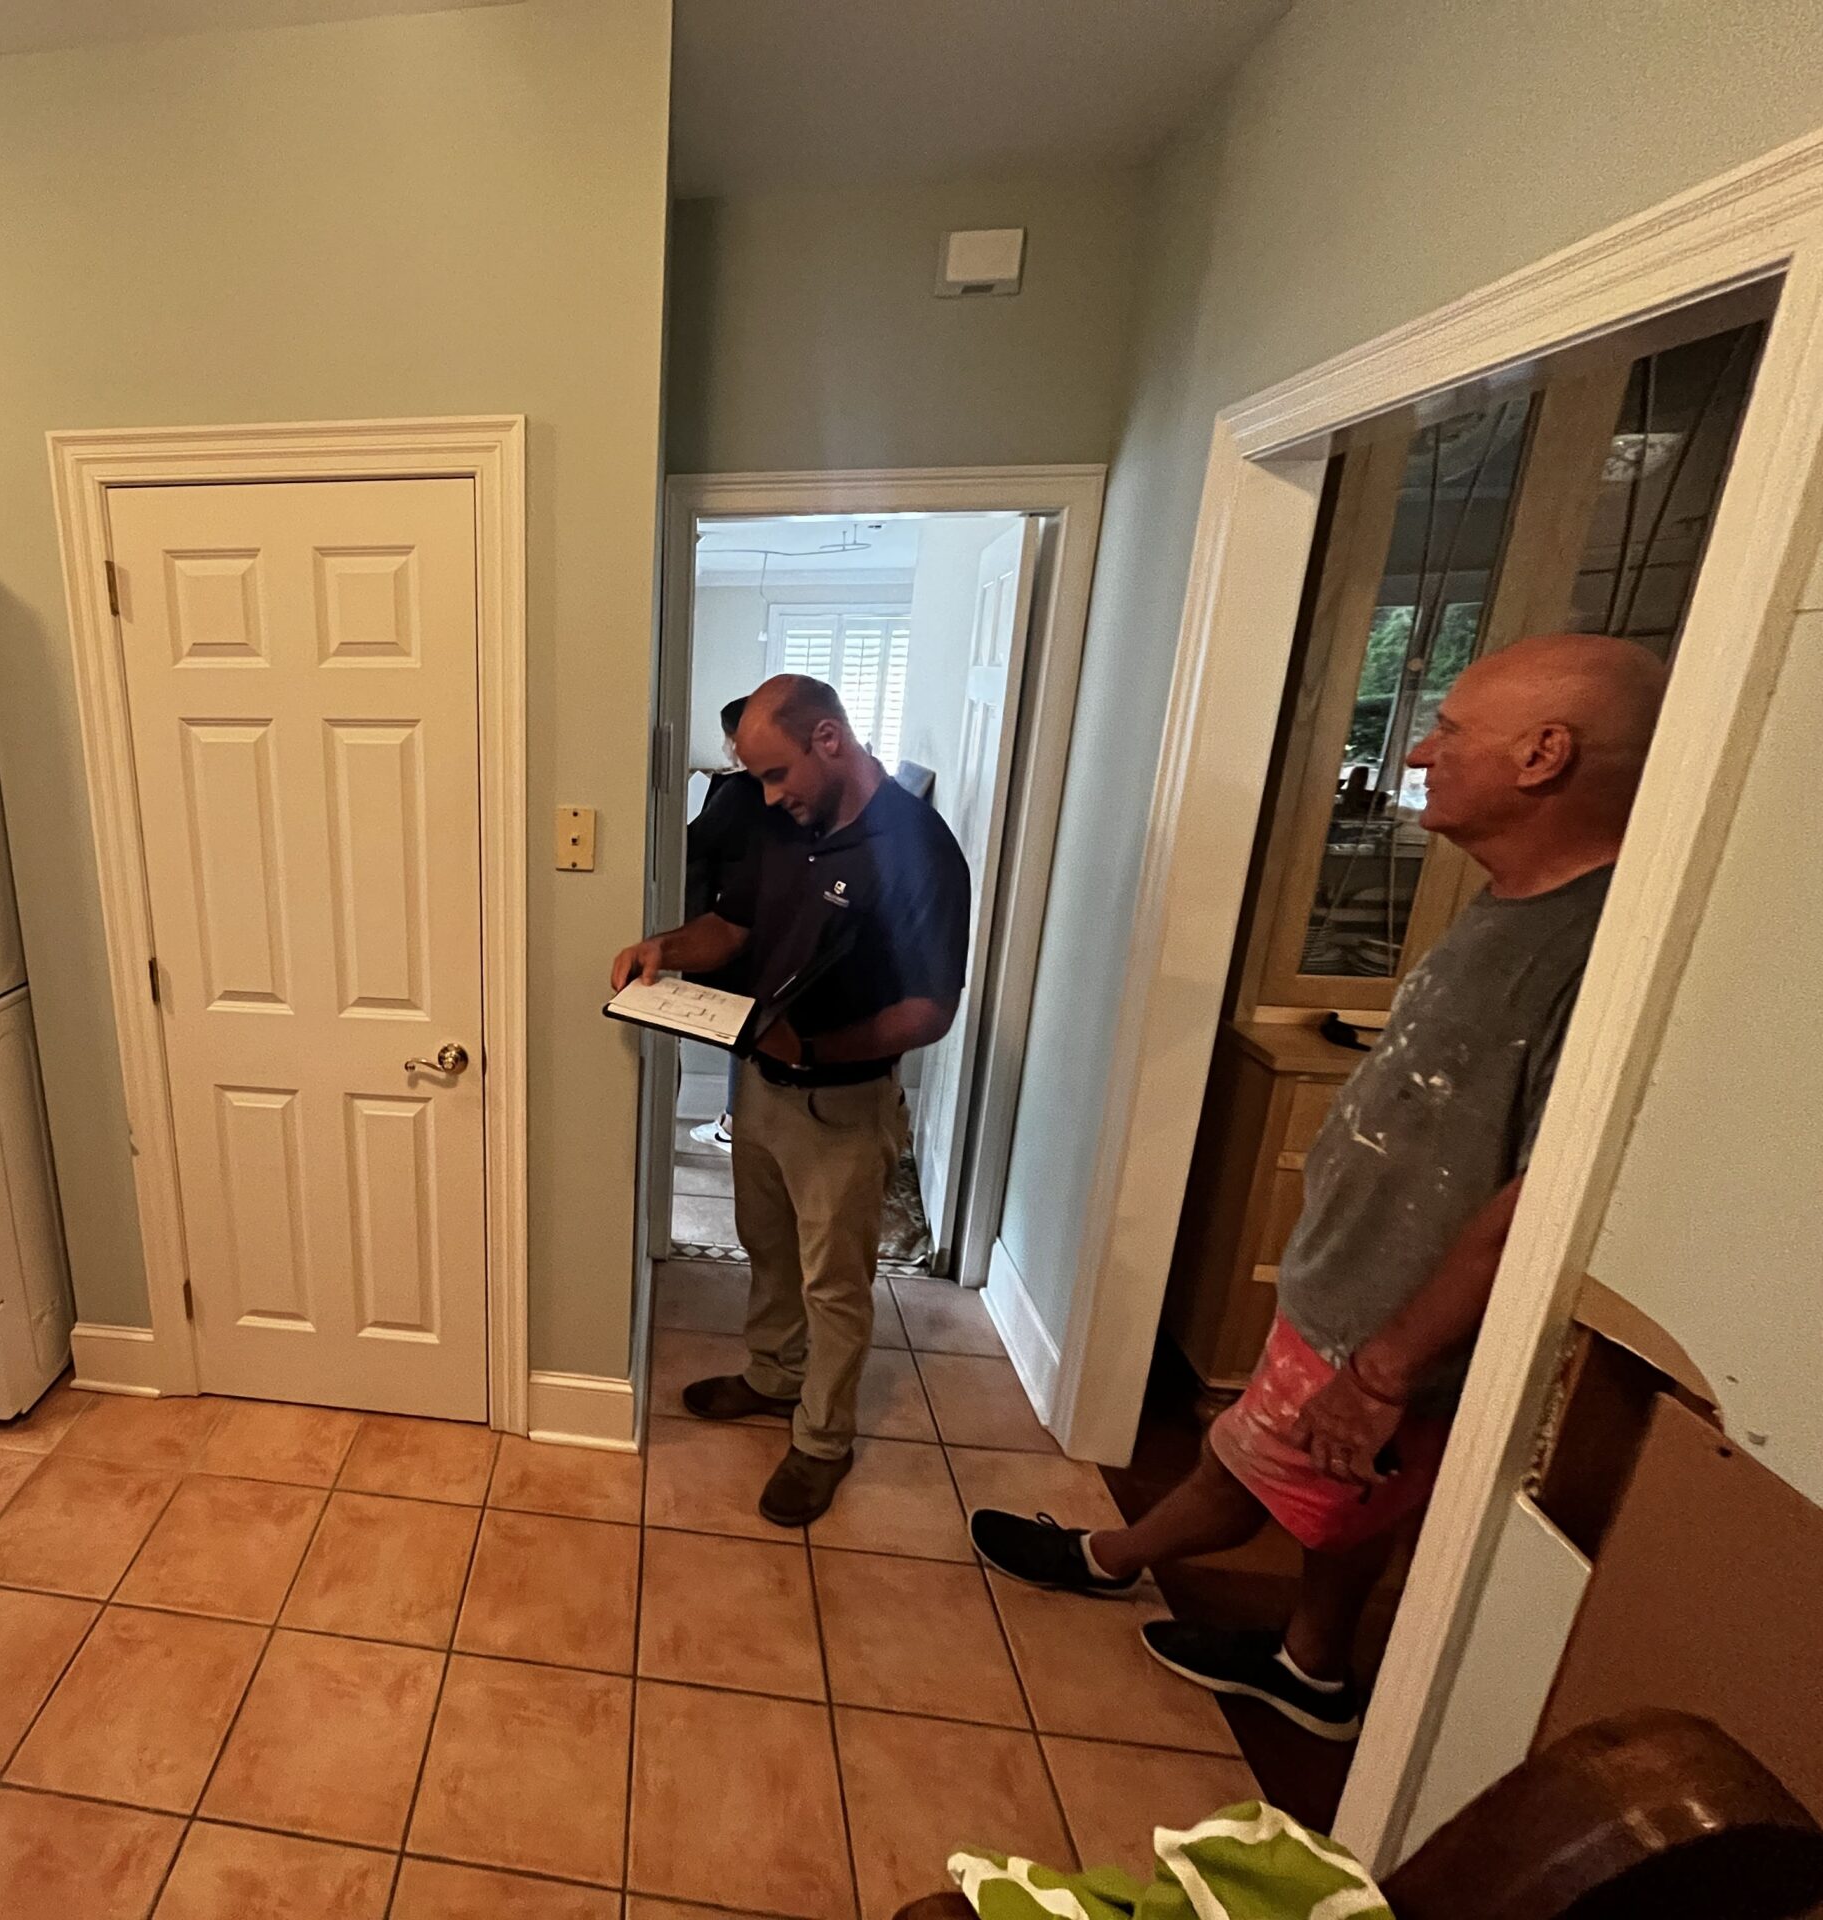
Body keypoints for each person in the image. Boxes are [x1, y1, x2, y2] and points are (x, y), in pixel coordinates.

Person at [972, 632, 1669, 1741]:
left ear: (1543, 755)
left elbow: (1549, 1191)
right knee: (1347, 1495)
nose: (1423, 752)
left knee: (1248, 1467)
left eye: (1449, 729)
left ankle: (1107, 1561)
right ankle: (1311, 1664)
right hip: (1361, 1300)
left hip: (1402, 1332)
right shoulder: (1512, 904)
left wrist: (1388, 1364)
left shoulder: (1600, 948)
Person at [611, 674, 971, 1523]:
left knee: (834, 1285)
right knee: (765, 1247)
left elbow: (929, 1011)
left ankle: (822, 1441)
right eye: (757, 778)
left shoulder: (919, 850)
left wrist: (813, 1048)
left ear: (830, 741)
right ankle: (774, 1378)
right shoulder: (780, 826)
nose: (769, 796)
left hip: (844, 1106)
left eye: (777, 774)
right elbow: (731, 928)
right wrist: (661, 947)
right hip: (761, 1085)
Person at [682, 695, 770, 1150]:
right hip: (767, 923)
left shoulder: (741, 792)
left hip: (740, 922)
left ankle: (736, 1124)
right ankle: (740, 1120)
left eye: (728, 738)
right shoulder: (776, 789)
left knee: (743, 1025)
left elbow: (693, 845)